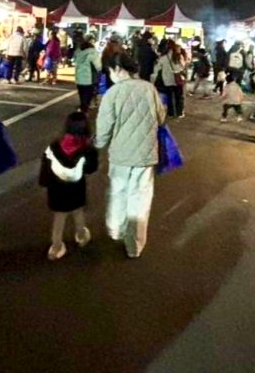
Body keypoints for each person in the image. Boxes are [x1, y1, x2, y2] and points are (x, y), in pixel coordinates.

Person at [95, 52, 166, 259]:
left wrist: (98, 144)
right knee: (140, 199)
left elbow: (104, 128)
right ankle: (134, 246)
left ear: (118, 69)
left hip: (121, 154)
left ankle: (116, 229)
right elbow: (161, 118)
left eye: (110, 71)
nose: (110, 75)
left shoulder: (112, 93)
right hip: (145, 154)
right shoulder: (149, 88)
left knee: (118, 192)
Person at [40, 111, 99, 261]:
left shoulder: (54, 146)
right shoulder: (87, 148)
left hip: (56, 189)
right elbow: (91, 168)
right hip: (76, 188)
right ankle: (81, 236)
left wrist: (45, 182)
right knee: (78, 212)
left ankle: (56, 248)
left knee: (59, 217)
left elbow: (45, 168)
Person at [152, 39, 184, 119]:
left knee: (169, 97)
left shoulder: (163, 58)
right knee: (178, 97)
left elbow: (157, 69)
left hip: (167, 80)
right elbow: (182, 67)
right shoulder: (178, 56)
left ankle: (171, 113)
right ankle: (179, 112)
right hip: (177, 80)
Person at [73, 34, 101, 113]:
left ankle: (82, 109)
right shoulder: (92, 52)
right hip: (89, 78)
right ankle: (84, 111)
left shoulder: (78, 52)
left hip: (79, 77)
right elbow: (98, 66)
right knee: (88, 96)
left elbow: (75, 61)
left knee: (82, 95)